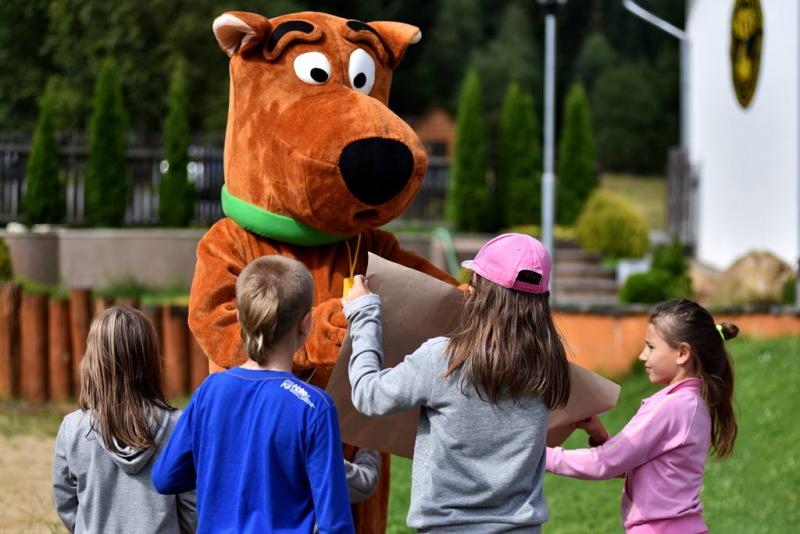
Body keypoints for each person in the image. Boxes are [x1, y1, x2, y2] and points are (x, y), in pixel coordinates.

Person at [343, 233, 571, 533]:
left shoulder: (443, 358)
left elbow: (369, 395)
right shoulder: (549, 365)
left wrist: (363, 313)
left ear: (477, 294)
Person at [151, 256, 354, 533]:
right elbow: (336, 524)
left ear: (240, 318)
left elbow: (165, 477)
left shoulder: (209, 391)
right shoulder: (314, 408)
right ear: (305, 324)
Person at [547, 298, 739, 533]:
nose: (642, 355)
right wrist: (601, 437)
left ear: (682, 353)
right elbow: (635, 464)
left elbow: (606, 463)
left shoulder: (671, 407)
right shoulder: (693, 404)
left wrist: (541, 456)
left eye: (651, 347)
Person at [52, 306, 196, 534]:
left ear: (93, 361)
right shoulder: (178, 426)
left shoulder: (73, 428)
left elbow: (66, 502)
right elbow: (192, 508)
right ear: (151, 360)